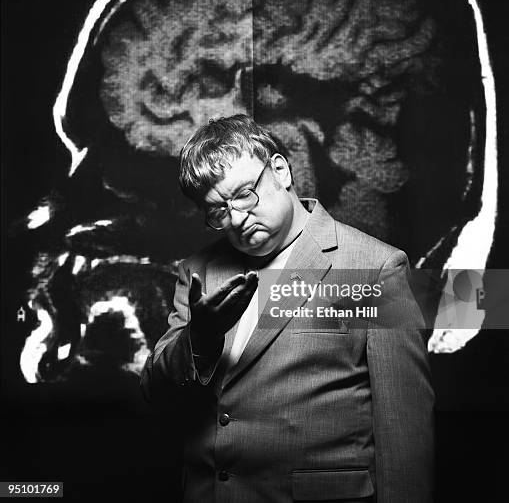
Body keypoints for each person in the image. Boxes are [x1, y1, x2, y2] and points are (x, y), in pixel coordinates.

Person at [141, 114, 434, 503]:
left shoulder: (374, 267)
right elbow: (155, 393)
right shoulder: (198, 271)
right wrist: (199, 341)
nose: (237, 218)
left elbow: (404, 427)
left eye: (244, 194)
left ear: (280, 170)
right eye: (218, 211)